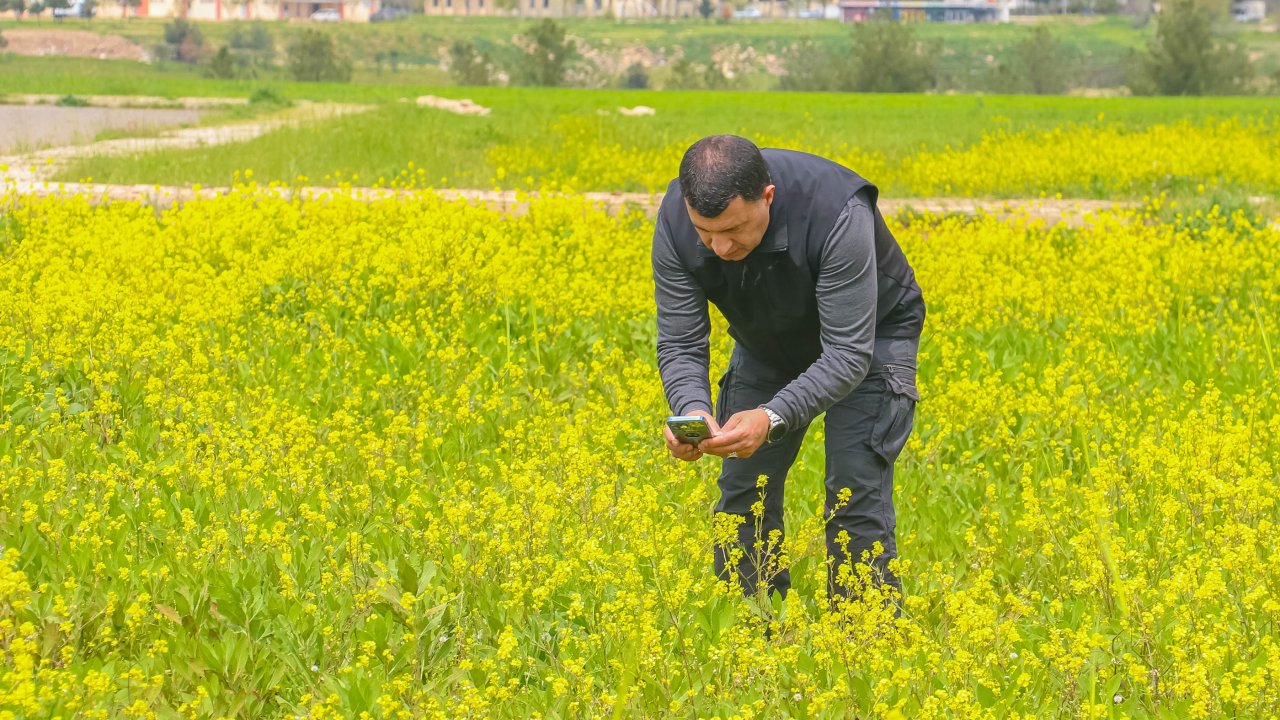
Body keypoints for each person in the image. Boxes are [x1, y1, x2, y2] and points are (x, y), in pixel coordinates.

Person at [652, 135, 925, 612]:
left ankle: (867, 638)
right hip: (769, 340)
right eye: (704, 232)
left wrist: (772, 416)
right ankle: (751, 631)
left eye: (733, 229)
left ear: (768, 197)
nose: (719, 247)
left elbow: (847, 353)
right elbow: (681, 342)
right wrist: (692, 413)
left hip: (869, 339)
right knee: (743, 494)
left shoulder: (836, 211)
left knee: (853, 495)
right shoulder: (676, 219)